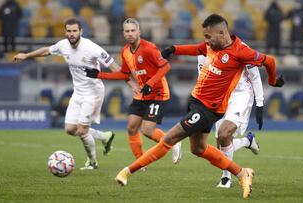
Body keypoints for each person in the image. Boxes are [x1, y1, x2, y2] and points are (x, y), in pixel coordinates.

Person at [113, 14, 284, 199]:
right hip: (196, 102)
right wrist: (174, 49)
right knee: (198, 149)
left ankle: (127, 171)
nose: (206, 40)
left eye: (209, 36)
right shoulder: (212, 45)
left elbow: (270, 61)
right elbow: (197, 49)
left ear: (221, 32)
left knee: (170, 138)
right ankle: (242, 173)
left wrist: (273, 81)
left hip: (208, 109)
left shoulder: (240, 51)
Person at [13, 18, 133, 170]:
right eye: (69, 31)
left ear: (81, 32)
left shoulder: (91, 47)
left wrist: (131, 85)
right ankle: (104, 137)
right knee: (70, 129)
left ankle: (92, 162)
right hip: (78, 93)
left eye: (75, 31)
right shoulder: (63, 45)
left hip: (93, 93)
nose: (72, 34)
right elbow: (47, 51)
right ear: (65, 32)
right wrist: (27, 55)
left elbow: (114, 66)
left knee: (82, 130)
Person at [84, 18, 182, 165]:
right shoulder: (125, 52)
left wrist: (150, 83)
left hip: (158, 94)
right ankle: (139, 161)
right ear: (123, 34)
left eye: (133, 30)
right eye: (127, 31)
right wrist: (99, 74)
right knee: (131, 127)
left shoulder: (149, 48)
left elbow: (166, 67)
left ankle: (173, 142)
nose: (130, 33)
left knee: (147, 130)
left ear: (139, 32)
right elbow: (123, 74)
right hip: (142, 94)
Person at [198, 55, 264, 188]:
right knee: (220, 146)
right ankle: (247, 141)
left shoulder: (241, 49)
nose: (208, 40)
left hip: (240, 94)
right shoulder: (202, 53)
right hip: (219, 96)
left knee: (223, 134)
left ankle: (226, 178)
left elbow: (255, 76)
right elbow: (202, 77)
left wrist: (260, 104)